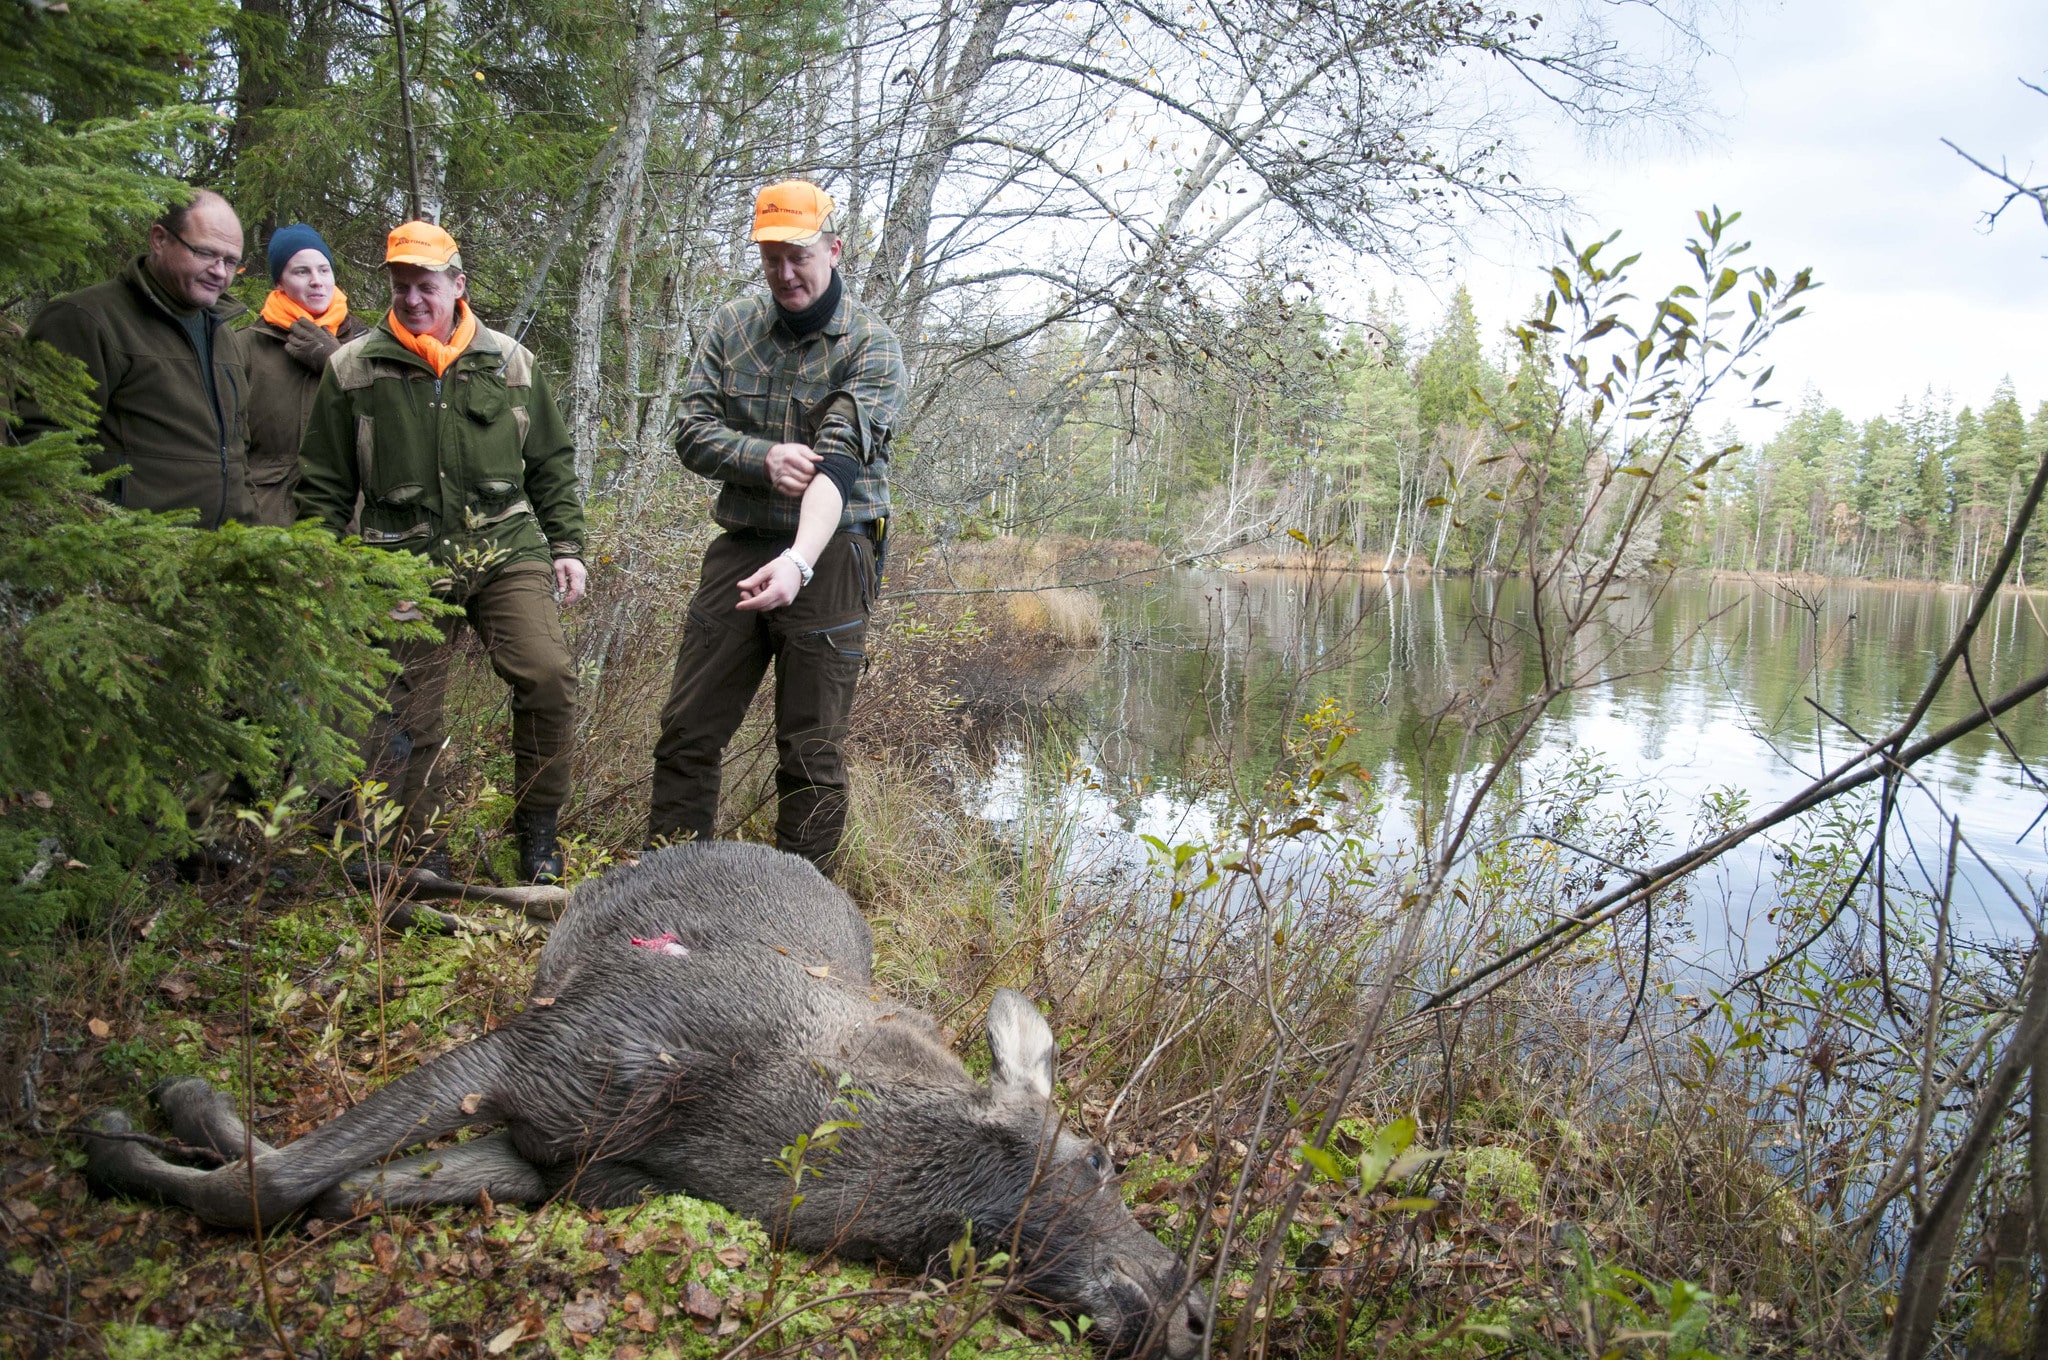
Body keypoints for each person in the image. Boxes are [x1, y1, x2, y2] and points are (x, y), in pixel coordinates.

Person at [296, 221, 588, 883]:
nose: (412, 299)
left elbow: (549, 463)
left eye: (426, 285)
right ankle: (415, 850)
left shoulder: (510, 363)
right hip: (399, 559)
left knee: (546, 675)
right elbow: (322, 485)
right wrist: (322, 568)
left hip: (501, 550)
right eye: (401, 286)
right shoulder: (353, 370)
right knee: (404, 706)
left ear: (458, 286)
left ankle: (538, 840)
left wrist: (566, 545)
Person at [648, 179, 907, 872]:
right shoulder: (731, 329)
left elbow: (842, 465)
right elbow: (691, 433)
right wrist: (762, 458)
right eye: (771, 259)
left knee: (810, 750)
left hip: (835, 546)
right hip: (742, 540)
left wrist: (799, 561)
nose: (785, 274)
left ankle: (799, 920)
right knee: (686, 732)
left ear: (833, 248)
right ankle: (670, 895)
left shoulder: (873, 344)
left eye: (798, 256)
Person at [18, 187, 255, 526]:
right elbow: (44, 450)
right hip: (128, 558)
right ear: (159, 239)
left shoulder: (224, 335)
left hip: (221, 556)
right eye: (205, 253)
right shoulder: (85, 320)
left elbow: (238, 451)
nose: (220, 272)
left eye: (231, 262)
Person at [240, 224, 368, 526]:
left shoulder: (367, 344)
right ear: (279, 282)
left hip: (351, 524)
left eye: (324, 270)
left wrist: (334, 360)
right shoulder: (245, 347)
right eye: (301, 272)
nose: (316, 282)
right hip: (268, 522)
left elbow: (390, 423)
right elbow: (231, 449)